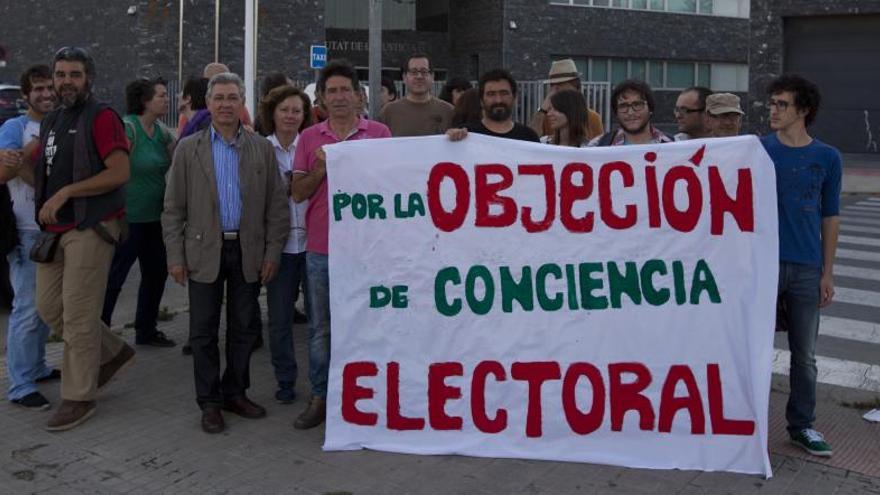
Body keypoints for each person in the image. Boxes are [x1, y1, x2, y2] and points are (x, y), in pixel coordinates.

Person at [162, 72, 289, 434]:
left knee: (243, 328)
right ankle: (209, 402)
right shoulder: (188, 149)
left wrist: (272, 253)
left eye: (232, 97)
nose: (225, 104)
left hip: (248, 251)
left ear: (242, 102)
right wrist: (175, 256)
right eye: (218, 98)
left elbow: (277, 208)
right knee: (202, 331)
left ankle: (235, 392)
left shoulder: (261, 148)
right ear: (208, 103)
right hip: (203, 250)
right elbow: (172, 209)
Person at [23, 47, 135, 431]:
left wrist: (68, 193)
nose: (66, 81)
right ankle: (113, 352)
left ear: (88, 78)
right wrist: (18, 165)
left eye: (74, 74)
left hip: (92, 224)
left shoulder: (102, 117)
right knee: (48, 307)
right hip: (55, 230)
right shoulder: (53, 120)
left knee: (79, 315)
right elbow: (43, 171)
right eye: (60, 74)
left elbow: (119, 172)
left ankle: (78, 397)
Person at [291, 60, 391, 429]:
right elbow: (297, 193)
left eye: (344, 90)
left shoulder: (380, 134)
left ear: (358, 96)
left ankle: (369, 394)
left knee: (370, 323)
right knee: (322, 327)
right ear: (320, 98)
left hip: (368, 250)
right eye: (331, 91)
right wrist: (321, 168)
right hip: (323, 249)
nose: (338, 97)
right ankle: (321, 396)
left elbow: (394, 184)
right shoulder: (309, 138)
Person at [761, 74, 841, 458]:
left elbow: (831, 215)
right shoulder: (759, 150)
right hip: (763, 264)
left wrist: (828, 271)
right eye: (772, 103)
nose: (773, 111)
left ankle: (802, 425)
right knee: (755, 348)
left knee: (804, 355)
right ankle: (748, 420)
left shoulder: (828, 157)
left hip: (807, 266)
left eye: (782, 104)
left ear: (803, 110)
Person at [100, 77, 176, 347]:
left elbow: (180, 155)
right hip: (128, 218)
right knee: (115, 277)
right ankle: (100, 336)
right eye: (161, 95)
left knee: (156, 273)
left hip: (155, 218)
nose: (167, 99)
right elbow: (112, 168)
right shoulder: (128, 129)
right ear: (145, 101)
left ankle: (146, 330)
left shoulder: (161, 131)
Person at [0, 64, 59, 410]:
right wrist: (24, 159)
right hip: (25, 230)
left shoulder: (62, 124)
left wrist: (24, 161)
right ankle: (20, 385)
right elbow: (4, 171)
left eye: (49, 87)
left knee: (45, 306)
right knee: (26, 307)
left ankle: (37, 367)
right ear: (26, 95)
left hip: (55, 229)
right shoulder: (15, 127)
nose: (46, 93)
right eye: (38, 88)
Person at [258, 85, 312, 405]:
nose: (290, 116)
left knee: (319, 318)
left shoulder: (313, 145)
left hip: (313, 244)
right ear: (273, 113)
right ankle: (285, 379)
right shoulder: (261, 148)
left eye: (297, 111)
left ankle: (321, 379)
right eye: (284, 110)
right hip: (279, 247)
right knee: (279, 320)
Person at [447, 68, 540, 143]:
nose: (498, 100)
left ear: (514, 97)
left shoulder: (529, 137)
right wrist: (449, 139)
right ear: (481, 100)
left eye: (504, 93)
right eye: (491, 94)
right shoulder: (465, 135)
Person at [377, 54, 453, 136]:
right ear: (404, 77)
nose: (419, 76)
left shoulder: (449, 111)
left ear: (432, 77)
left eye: (424, 72)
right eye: (413, 72)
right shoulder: (388, 112)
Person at [529, 59, 603, 140]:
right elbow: (530, 140)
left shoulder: (592, 118)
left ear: (575, 87)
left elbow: (599, 146)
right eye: (553, 85)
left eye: (561, 85)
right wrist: (542, 110)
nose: (556, 90)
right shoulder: (548, 117)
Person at [588, 79, 672, 146]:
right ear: (616, 112)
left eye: (637, 105)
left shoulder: (672, 145)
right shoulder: (598, 145)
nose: (630, 112)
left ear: (650, 109)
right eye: (623, 106)